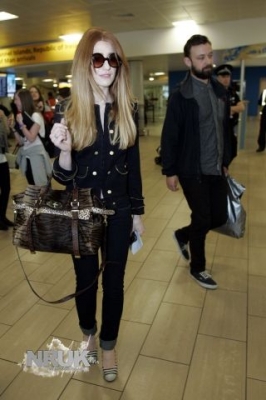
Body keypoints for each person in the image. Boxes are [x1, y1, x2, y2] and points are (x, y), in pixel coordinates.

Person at [50, 27, 145, 382]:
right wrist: (63, 149)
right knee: (86, 281)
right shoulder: (70, 110)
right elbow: (62, 178)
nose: (107, 67)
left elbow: (132, 169)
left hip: (119, 211)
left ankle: (108, 344)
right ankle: (89, 335)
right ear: (85, 63)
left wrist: (137, 213)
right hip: (82, 212)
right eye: (98, 59)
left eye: (113, 59)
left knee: (115, 282)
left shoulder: (127, 108)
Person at [160, 34, 231, 290]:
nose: (208, 61)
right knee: (202, 217)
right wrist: (169, 171)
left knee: (218, 217)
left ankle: (182, 235)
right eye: (201, 57)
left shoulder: (219, 90)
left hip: (216, 168)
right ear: (188, 61)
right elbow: (170, 135)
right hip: (191, 169)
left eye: (210, 55)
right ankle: (197, 268)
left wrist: (226, 160)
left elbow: (224, 129)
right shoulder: (181, 96)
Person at [12, 89, 52, 185]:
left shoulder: (35, 115)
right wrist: (13, 128)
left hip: (37, 156)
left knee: (41, 186)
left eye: (16, 99)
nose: (15, 102)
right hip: (28, 156)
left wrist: (21, 124)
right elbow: (22, 142)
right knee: (33, 186)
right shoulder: (24, 116)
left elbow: (31, 138)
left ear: (23, 100)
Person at [214, 64, 245, 161]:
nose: (226, 79)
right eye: (223, 77)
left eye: (228, 76)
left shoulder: (232, 92)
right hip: (218, 131)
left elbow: (241, 107)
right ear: (217, 78)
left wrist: (228, 109)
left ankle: (225, 172)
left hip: (230, 129)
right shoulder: (214, 92)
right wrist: (230, 109)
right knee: (219, 156)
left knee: (232, 153)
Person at [0, 110, 14, 230]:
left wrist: (4, 119)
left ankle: (2, 216)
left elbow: (6, 134)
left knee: (6, 188)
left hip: (2, 158)